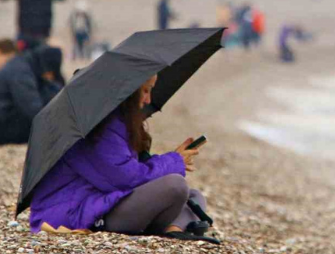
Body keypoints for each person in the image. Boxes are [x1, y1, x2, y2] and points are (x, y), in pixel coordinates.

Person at [29, 75, 212, 242]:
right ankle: (176, 226)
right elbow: (126, 179)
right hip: (80, 213)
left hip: (104, 200)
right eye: (145, 91)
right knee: (175, 185)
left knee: (194, 196)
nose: (148, 99)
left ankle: (174, 230)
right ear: (129, 92)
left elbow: (129, 171)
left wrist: (173, 160)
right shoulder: (98, 127)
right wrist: (174, 161)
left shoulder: (117, 121)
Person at [0, 46, 64, 145]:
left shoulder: (26, 64)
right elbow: (32, 107)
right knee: (37, 127)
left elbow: (50, 89)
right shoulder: (21, 72)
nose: (50, 76)